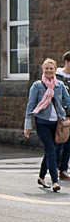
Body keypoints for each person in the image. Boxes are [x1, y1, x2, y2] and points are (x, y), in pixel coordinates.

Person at [24, 58, 70, 192]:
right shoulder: (37, 86)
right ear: (42, 70)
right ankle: (55, 181)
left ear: (55, 70)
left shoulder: (60, 85)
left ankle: (41, 176)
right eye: (46, 68)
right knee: (51, 149)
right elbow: (30, 106)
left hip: (58, 124)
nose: (49, 70)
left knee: (53, 150)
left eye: (51, 68)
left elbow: (67, 101)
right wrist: (27, 126)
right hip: (42, 123)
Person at [57, 51, 70, 180]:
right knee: (60, 142)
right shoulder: (58, 77)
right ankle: (54, 167)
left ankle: (63, 170)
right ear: (66, 62)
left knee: (68, 144)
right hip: (60, 115)